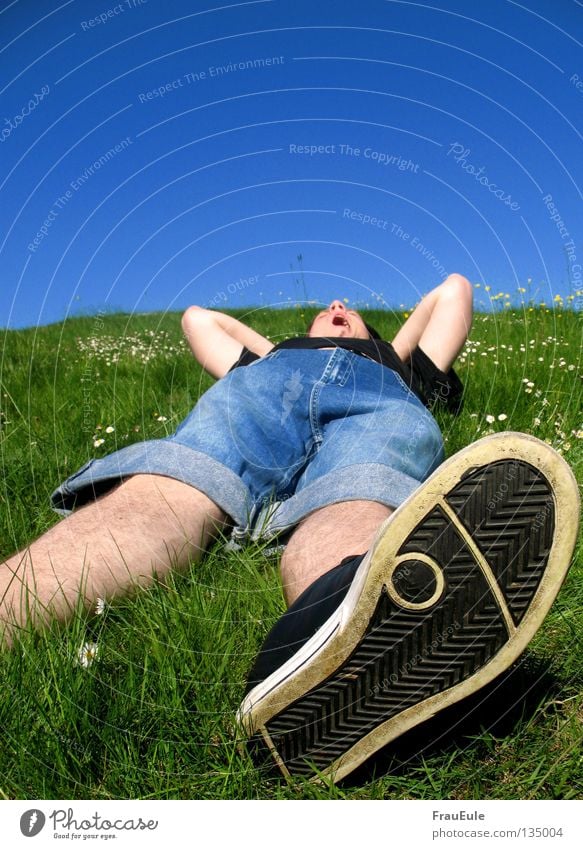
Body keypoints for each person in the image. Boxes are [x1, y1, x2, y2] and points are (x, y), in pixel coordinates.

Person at [0, 274, 579, 783]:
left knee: (360, 492)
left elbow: (453, 289)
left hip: (377, 403)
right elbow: (198, 319)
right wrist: (277, 348)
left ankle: (338, 640)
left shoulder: (400, 366)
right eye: (327, 306)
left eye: (348, 308)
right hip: (261, 394)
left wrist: (384, 345)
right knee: (172, 484)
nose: (336, 304)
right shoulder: (264, 360)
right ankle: (339, 644)